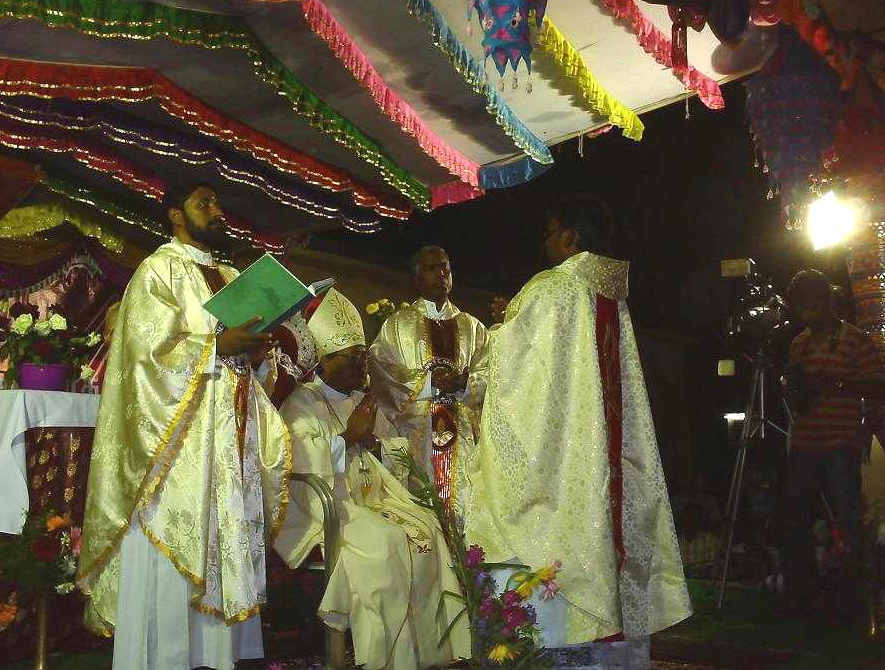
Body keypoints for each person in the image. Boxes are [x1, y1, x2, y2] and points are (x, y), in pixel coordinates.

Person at [466, 194, 691, 667]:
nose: (546, 242)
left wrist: (501, 328)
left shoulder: (553, 288)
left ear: (570, 237)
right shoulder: (610, 296)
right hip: (602, 452)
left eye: (549, 232)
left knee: (546, 529)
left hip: (569, 461)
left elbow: (521, 374)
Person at [76, 184, 293, 670]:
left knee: (223, 537)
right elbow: (145, 356)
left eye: (217, 202)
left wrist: (258, 353)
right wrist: (216, 347)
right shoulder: (158, 270)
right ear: (175, 215)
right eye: (203, 203)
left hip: (229, 436)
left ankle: (217, 657)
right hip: (177, 448)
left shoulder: (233, 277)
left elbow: (251, 366)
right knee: (179, 538)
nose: (217, 210)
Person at [274, 288, 470, 669]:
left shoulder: (362, 400)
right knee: (387, 542)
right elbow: (297, 464)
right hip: (333, 509)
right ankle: (385, 658)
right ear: (326, 360)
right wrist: (347, 438)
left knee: (429, 528)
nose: (362, 365)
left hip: (378, 500)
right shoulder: (302, 403)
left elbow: (398, 450)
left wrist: (373, 443)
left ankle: (433, 653)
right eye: (353, 358)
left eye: (363, 356)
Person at [781, 269, 884, 618]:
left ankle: (859, 600)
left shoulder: (855, 339)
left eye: (811, 304)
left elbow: (878, 385)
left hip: (841, 442)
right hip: (805, 443)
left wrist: (836, 385)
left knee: (848, 519)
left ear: (826, 300)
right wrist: (797, 390)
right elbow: (798, 397)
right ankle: (802, 596)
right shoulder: (799, 343)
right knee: (795, 519)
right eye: (801, 306)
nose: (806, 313)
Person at [370, 245, 488, 519]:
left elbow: (493, 371)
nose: (440, 274)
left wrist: (464, 385)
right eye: (431, 268)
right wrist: (428, 382)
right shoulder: (397, 325)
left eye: (444, 267)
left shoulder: (473, 327)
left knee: (467, 509)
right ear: (416, 279)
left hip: (464, 438)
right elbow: (381, 368)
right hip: (419, 438)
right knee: (424, 513)